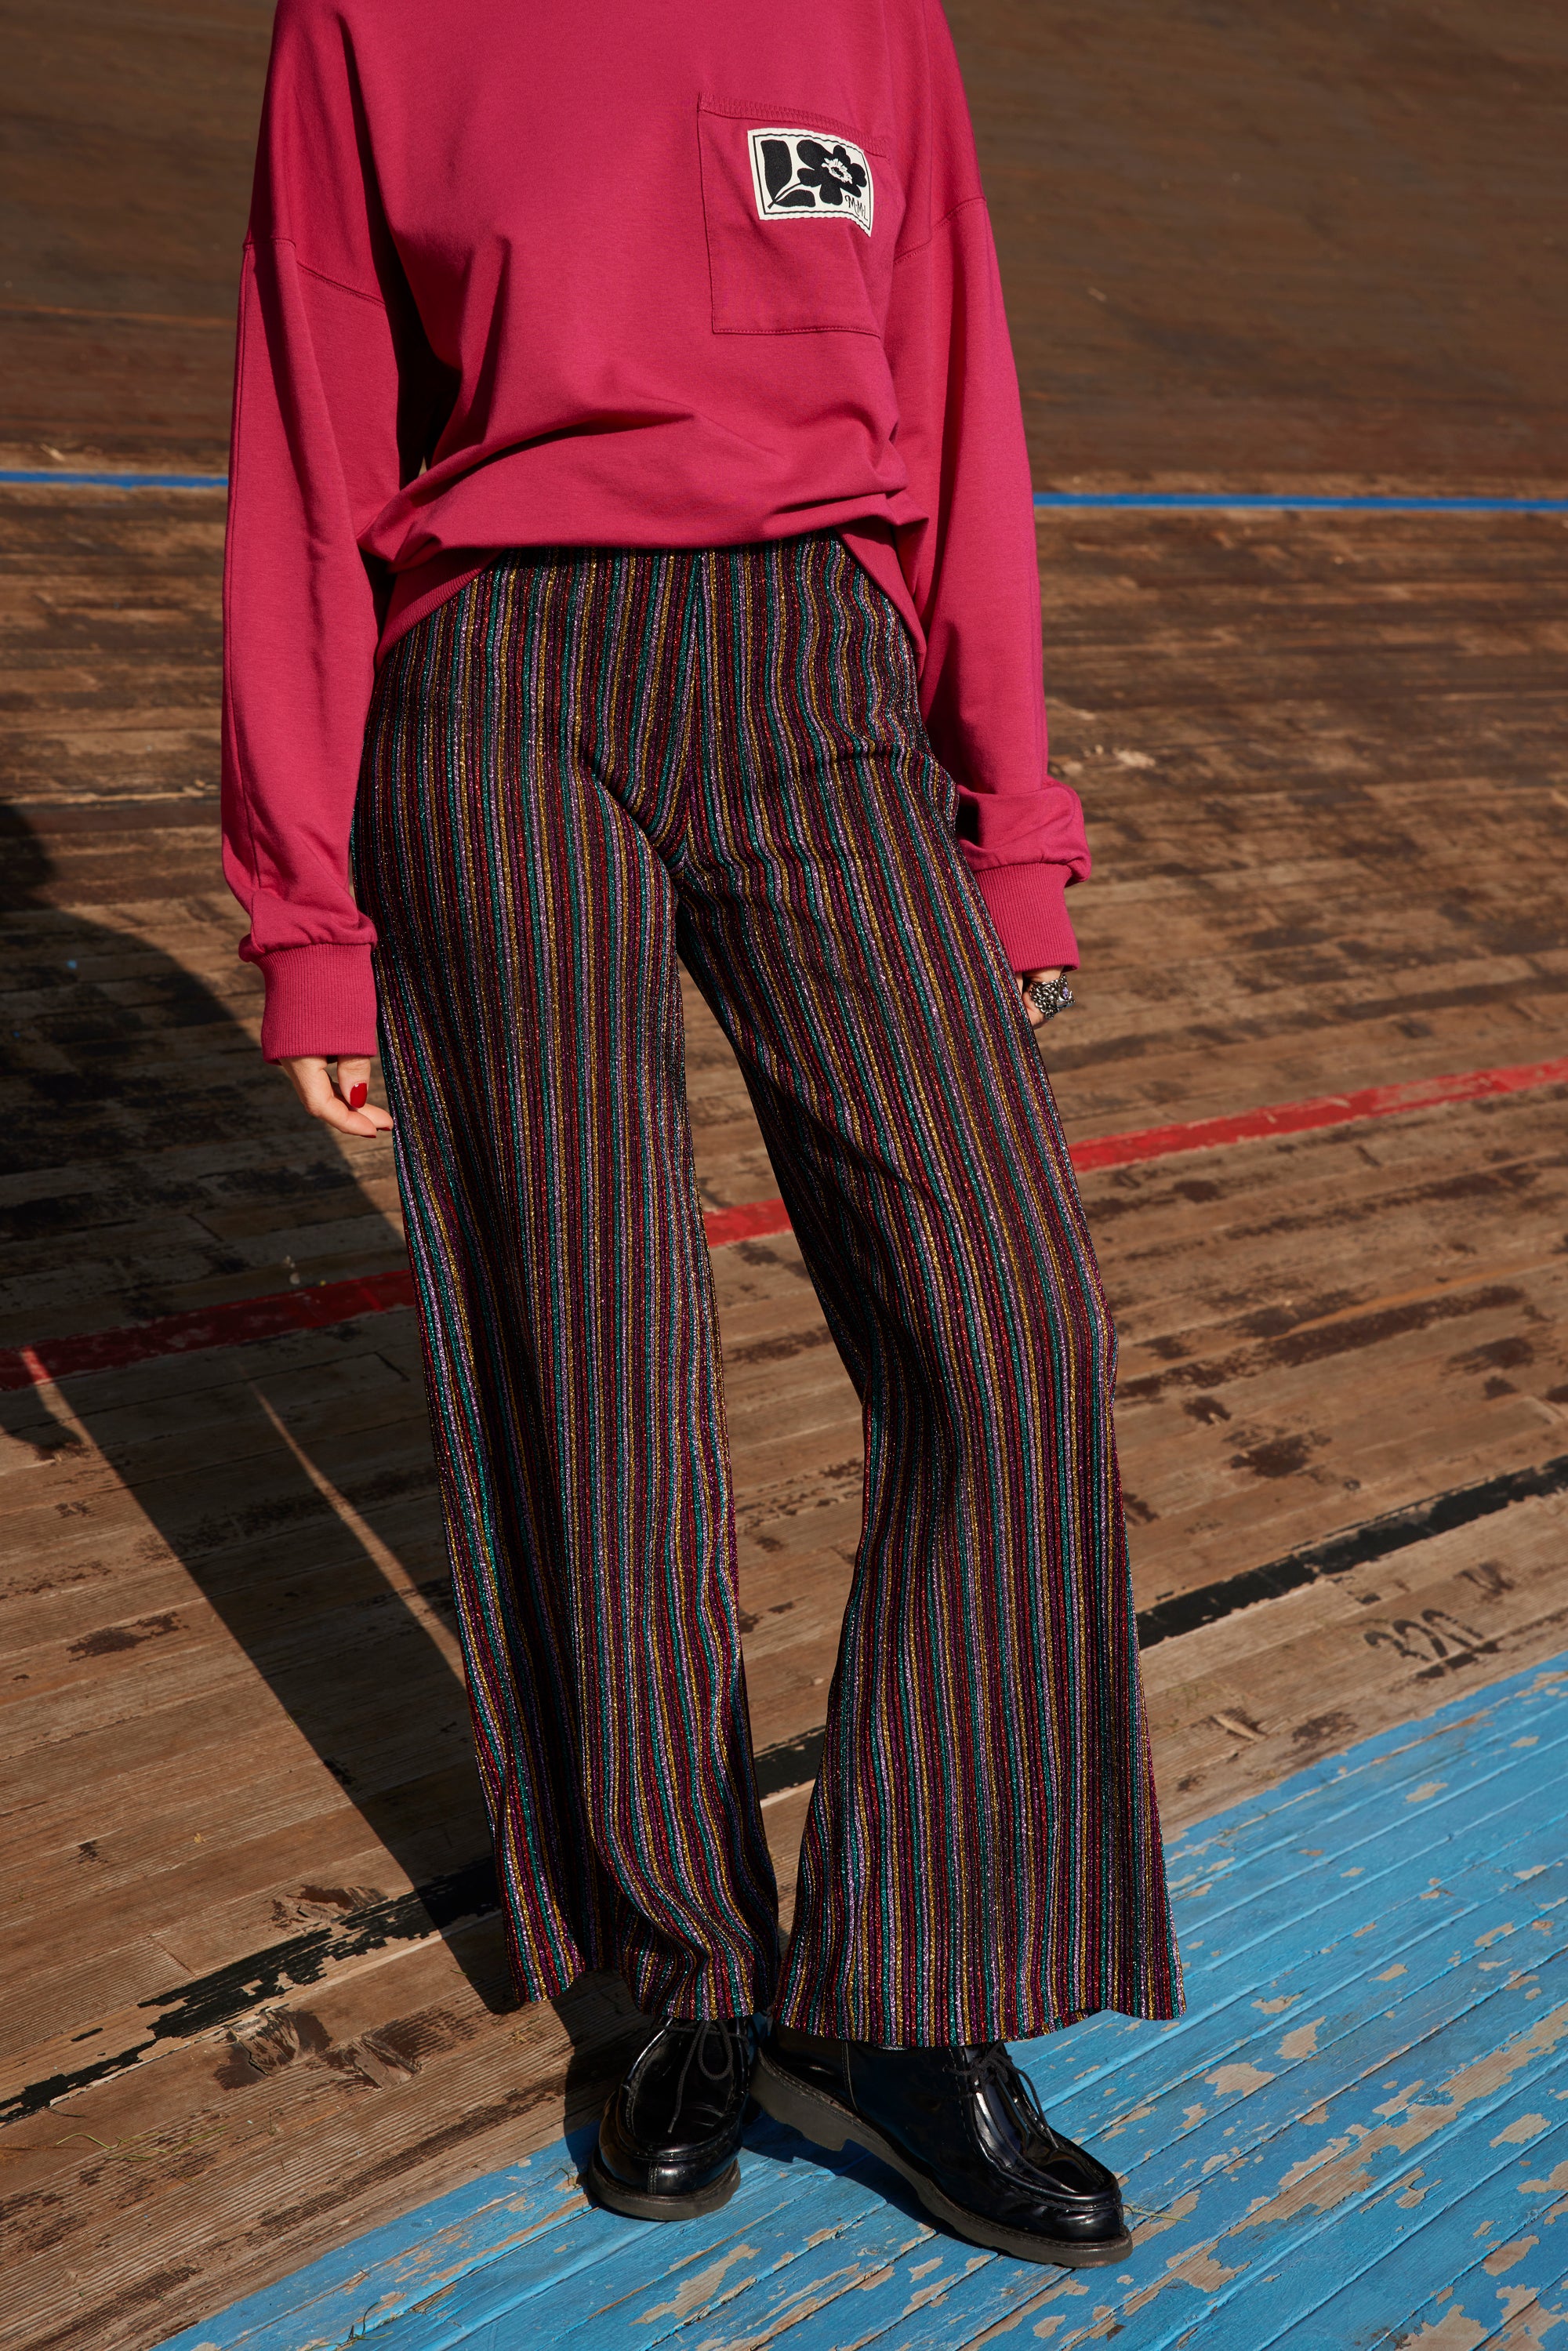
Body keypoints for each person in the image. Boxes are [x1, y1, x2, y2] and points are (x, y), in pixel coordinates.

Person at [221, 0, 1183, 2268]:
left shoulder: (872, 15)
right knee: (594, 1355)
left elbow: (960, 387)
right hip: (493, 696)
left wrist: (1011, 819)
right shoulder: (368, 17)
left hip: (814, 670)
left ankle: (913, 1999)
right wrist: (308, 916)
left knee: (1014, 1329)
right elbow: (307, 425)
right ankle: (680, 1978)